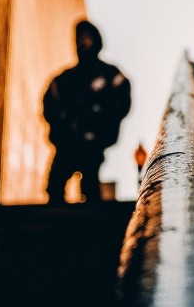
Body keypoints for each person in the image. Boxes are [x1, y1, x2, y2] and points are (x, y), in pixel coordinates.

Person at [42, 20, 131, 204]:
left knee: (89, 183)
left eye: (87, 38)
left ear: (96, 41)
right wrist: (62, 124)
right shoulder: (66, 78)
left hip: (93, 141)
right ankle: (58, 222)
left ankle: (88, 219)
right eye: (80, 39)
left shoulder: (110, 75)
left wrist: (102, 124)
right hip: (68, 141)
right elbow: (49, 102)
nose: (83, 43)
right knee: (55, 183)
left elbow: (121, 101)